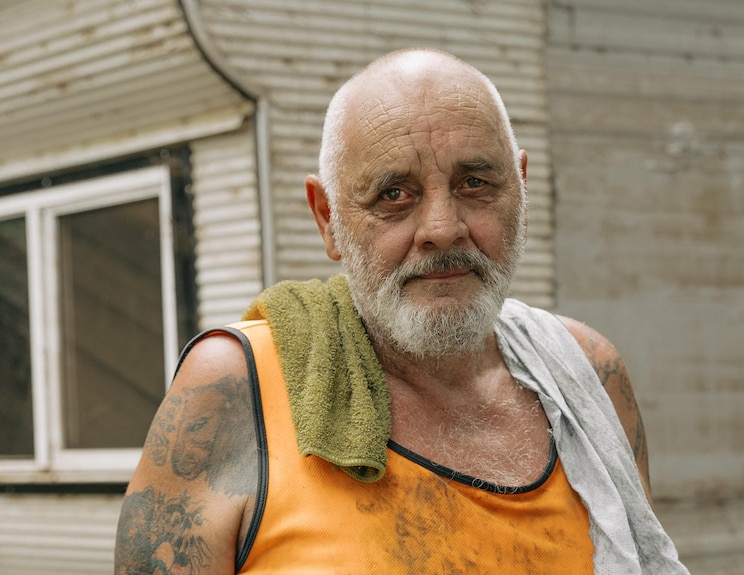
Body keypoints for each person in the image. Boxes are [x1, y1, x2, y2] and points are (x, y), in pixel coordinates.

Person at [114, 48, 688, 574]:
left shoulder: (588, 374)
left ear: (521, 189)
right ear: (327, 219)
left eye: (475, 182)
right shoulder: (235, 387)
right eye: (394, 194)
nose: (443, 229)